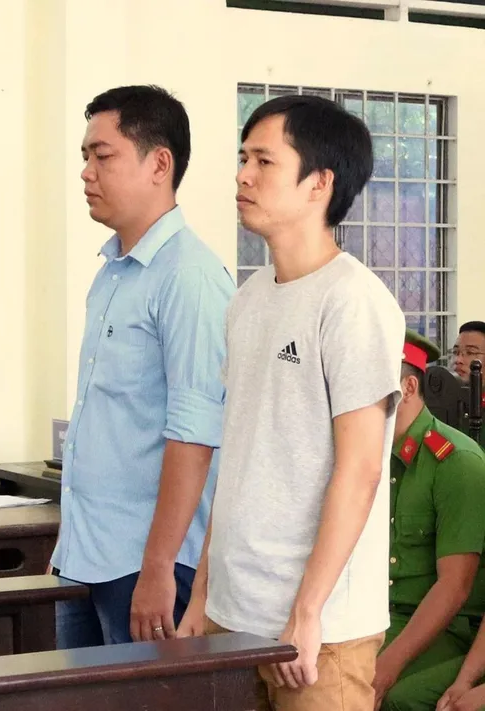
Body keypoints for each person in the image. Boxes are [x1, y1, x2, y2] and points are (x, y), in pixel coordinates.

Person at [177, 94, 406, 711]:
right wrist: (203, 593)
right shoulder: (248, 299)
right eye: (242, 159)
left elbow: (360, 470)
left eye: (264, 161)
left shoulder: (353, 301)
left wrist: (307, 612)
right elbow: (240, 458)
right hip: (232, 614)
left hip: (320, 633)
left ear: (319, 183)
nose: (242, 176)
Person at [50, 84, 233, 649]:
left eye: (103, 156)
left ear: (159, 164)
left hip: (148, 565)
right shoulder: (113, 272)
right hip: (87, 555)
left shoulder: (189, 278)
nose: (87, 172)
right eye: (85, 156)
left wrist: (158, 567)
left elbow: (194, 436)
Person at [373, 331, 485, 711]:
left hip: (443, 628)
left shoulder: (456, 462)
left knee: (381, 694)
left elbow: (454, 587)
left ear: (408, 388)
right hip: (377, 617)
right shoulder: (367, 457)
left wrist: (386, 668)